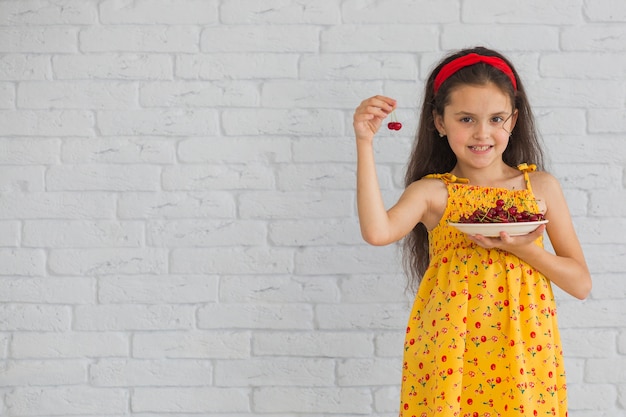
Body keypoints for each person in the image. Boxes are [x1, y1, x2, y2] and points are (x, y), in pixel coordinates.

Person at [353, 46, 591, 417]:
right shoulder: (433, 192)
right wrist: (365, 142)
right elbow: (377, 231)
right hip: (452, 351)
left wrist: (525, 250)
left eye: (496, 119)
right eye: (466, 119)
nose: (483, 133)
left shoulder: (539, 188)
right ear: (439, 122)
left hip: (525, 350)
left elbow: (580, 284)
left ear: (513, 120)